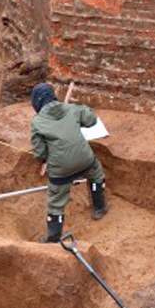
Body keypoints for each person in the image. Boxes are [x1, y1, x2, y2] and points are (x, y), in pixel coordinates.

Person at [29, 83, 107, 244]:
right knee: (96, 175)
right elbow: (91, 119)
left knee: (56, 201)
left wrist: (45, 160)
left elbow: (39, 153)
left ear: (36, 103)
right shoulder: (72, 109)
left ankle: (53, 238)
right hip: (85, 159)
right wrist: (79, 106)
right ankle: (99, 208)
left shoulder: (37, 122)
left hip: (61, 169)